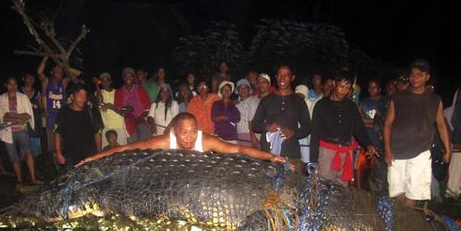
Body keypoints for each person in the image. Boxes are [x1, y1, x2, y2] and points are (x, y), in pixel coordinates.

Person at [77, 112, 286, 167]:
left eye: (193, 132)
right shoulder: (165, 141)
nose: (189, 138)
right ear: (174, 132)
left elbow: (240, 150)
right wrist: (94, 158)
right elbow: (128, 148)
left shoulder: (205, 141)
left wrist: (270, 156)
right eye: (184, 133)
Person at [383, 59, 451, 208]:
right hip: (397, 151)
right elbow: (387, 123)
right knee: (397, 191)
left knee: (413, 192)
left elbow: (441, 125)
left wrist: (448, 149)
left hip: (420, 151)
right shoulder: (399, 97)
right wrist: (387, 149)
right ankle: (402, 221)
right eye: (413, 74)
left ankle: (408, 226)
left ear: (427, 77)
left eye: (419, 74)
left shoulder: (434, 100)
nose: (415, 78)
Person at [310, 70, 378, 187]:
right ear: (334, 84)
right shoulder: (321, 105)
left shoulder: (351, 107)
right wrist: (313, 160)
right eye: (341, 85)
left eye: (347, 87)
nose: (344, 90)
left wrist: (368, 144)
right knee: (322, 188)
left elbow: (359, 128)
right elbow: (315, 133)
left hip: (345, 154)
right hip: (326, 153)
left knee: (341, 191)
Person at [251, 64, 311, 173]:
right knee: (267, 188)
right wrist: (267, 126)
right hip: (268, 154)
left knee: (291, 188)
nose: (282, 78)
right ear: (276, 77)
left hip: (291, 153)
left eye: (286, 75)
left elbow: (307, 127)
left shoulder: (299, 101)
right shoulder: (266, 100)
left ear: (292, 78)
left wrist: (293, 132)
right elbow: (255, 125)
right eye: (279, 75)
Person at [0, 77, 42, 185]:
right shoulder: (1, 99)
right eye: (10, 84)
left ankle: (33, 178)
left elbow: (27, 115)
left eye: (15, 84)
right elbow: (0, 118)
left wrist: (10, 115)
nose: (13, 87)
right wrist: (18, 117)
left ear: (17, 85)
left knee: (27, 151)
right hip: (7, 131)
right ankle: (19, 180)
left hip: (22, 129)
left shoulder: (23, 97)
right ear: (5, 85)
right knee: (13, 155)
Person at [54, 84, 102, 172]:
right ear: (72, 96)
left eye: (85, 96)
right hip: (70, 155)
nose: (83, 99)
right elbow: (57, 133)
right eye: (80, 95)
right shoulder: (63, 112)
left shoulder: (91, 111)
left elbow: (97, 133)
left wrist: (99, 154)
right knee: (70, 181)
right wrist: (58, 153)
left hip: (90, 154)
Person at [95, 72, 128, 149]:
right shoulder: (99, 92)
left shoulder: (118, 92)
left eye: (107, 81)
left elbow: (122, 110)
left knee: (122, 151)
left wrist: (109, 106)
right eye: (103, 81)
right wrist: (97, 85)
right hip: (107, 127)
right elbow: (100, 101)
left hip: (119, 126)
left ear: (111, 81)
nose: (105, 83)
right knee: (107, 153)